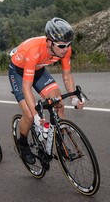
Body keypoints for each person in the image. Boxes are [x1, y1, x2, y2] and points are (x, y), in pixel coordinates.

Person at [8, 17, 85, 164]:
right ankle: (22, 144)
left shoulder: (65, 49)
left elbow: (67, 75)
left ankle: (59, 141)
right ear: (49, 42)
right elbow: (26, 87)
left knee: (58, 103)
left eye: (69, 45)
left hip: (39, 69)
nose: (66, 49)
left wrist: (74, 98)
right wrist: (36, 116)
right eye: (62, 46)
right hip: (18, 72)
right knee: (30, 115)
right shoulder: (33, 51)